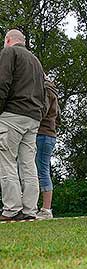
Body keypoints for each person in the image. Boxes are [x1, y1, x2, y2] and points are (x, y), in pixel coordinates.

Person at [0, 29, 47, 221]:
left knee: (6, 160)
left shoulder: (8, 53)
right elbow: (45, 91)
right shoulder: (36, 61)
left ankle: (11, 209)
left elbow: (2, 83)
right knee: (28, 164)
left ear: (8, 40)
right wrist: (39, 114)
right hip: (33, 117)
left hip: (12, 114)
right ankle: (30, 210)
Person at [35, 76, 60, 220]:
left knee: (41, 171)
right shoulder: (54, 92)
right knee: (41, 170)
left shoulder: (45, 89)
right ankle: (44, 208)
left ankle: (46, 209)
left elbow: (41, 111)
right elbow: (58, 117)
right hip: (49, 134)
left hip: (42, 133)